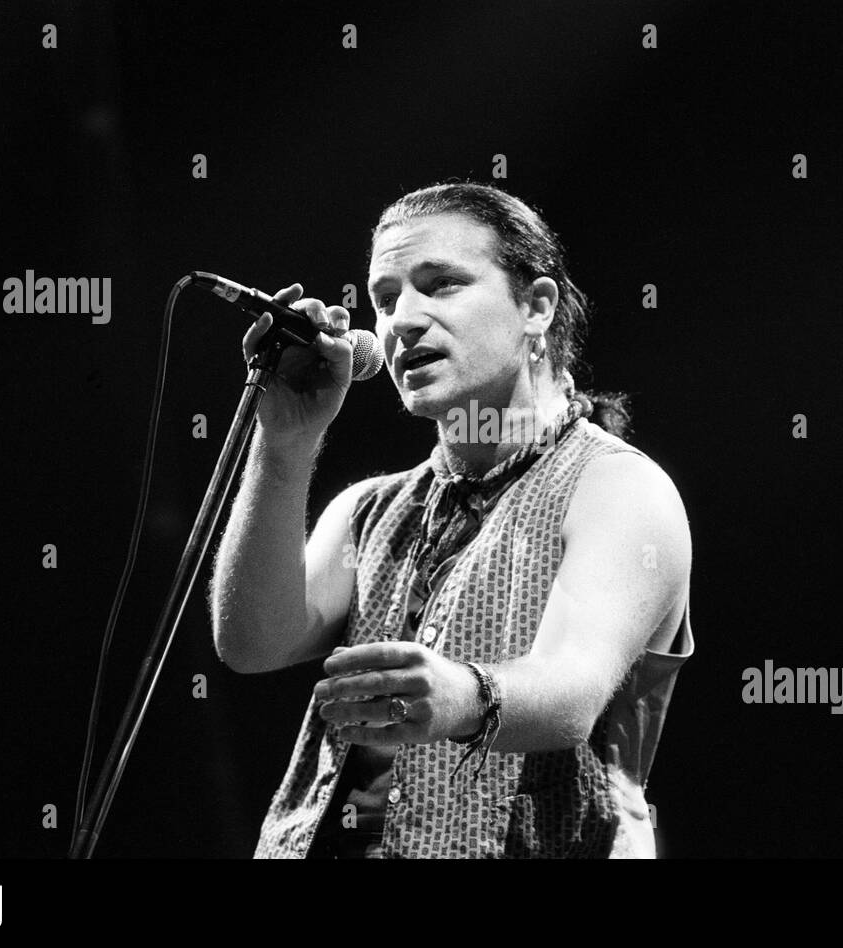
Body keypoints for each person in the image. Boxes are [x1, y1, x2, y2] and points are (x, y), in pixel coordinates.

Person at [208, 181, 693, 858]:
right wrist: (284, 444)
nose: (402, 319)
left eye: (439, 285)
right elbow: (252, 642)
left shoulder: (617, 488)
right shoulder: (369, 508)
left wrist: (463, 694)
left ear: (536, 306)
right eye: (384, 299)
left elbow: (574, 688)